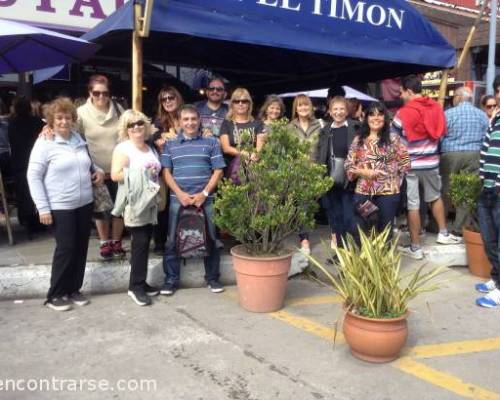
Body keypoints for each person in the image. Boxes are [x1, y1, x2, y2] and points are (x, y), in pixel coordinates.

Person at [27, 97, 104, 311]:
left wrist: (98, 171)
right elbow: (33, 176)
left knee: (80, 247)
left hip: (84, 202)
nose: (63, 122)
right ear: (51, 120)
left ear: (73, 119)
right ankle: (56, 293)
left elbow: (88, 162)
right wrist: (42, 208)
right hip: (60, 205)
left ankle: (73, 289)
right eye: (59, 118)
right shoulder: (45, 142)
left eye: (67, 117)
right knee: (66, 248)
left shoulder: (78, 139)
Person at [392, 75, 462, 260]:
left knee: (413, 205)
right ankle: (443, 233)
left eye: (401, 92)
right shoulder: (435, 108)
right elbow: (440, 134)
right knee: (435, 197)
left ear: (408, 91)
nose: (400, 95)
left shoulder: (402, 113)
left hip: (412, 165)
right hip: (431, 162)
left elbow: (393, 138)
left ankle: (415, 247)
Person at [160, 105, 226, 296]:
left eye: (193, 119)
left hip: (206, 199)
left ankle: (213, 278)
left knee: (211, 238)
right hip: (177, 200)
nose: (190, 123)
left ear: (199, 121)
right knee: (172, 240)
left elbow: (218, 171)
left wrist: (204, 194)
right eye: (186, 119)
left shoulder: (211, 142)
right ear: (179, 122)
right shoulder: (170, 144)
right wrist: (180, 194)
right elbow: (166, 172)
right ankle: (170, 280)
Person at [111, 110, 161, 306]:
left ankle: (140, 281)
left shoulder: (149, 148)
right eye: (131, 125)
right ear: (126, 129)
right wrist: (141, 173)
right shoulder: (124, 148)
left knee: (144, 243)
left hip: (150, 202)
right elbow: (115, 175)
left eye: (139, 123)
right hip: (135, 203)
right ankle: (135, 287)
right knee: (139, 244)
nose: (136, 127)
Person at [76, 74, 125, 260]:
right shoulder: (81, 113)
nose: (101, 97)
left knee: (119, 207)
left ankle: (116, 241)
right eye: (96, 93)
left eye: (105, 93)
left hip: (118, 167)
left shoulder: (118, 109)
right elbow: (72, 135)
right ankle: (105, 242)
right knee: (101, 209)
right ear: (90, 92)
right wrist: (47, 128)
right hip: (96, 169)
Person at [345, 102, 410, 238]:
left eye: (380, 114)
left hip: (388, 194)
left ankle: (383, 259)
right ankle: (363, 259)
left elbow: (406, 163)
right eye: (372, 114)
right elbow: (348, 165)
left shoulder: (393, 139)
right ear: (366, 117)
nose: (376, 118)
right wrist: (363, 172)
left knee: (385, 233)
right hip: (363, 194)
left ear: (385, 118)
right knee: (360, 229)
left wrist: (393, 177)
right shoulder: (359, 140)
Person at [441, 86, 489, 234]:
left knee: (446, 190)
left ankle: (439, 225)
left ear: (458, 97)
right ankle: (459, 227)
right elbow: (486, 137)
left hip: (450, 155)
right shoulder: (482, 115)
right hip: (474, 155)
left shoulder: (447, 114)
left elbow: (440, 136)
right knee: (467, 191)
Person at [317, 96, 359, 250]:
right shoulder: (325, 129)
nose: (339, 112)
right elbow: (320, 153)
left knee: (350, 217)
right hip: (330, 177)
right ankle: (341, 252)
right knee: (336, 218)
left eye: (342, 109)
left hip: (351, 179)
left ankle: (358, 250)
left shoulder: (356, 127)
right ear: (330, 111)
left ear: (347, 110)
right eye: (335, 109)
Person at [475, 76, 500, 308]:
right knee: (489, 238)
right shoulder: (496, 118)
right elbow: (486, 150)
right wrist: (484, 178)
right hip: (488, 188)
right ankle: (496, 278)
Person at [288, 94, 323, 254]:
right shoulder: (288, 128)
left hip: (317, 173)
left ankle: (336, 239)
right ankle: (304, 240)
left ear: (311, 107)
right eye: (300, 105)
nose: (303, 108)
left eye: (306, 105)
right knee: (302, 207)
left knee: (318, 207)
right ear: (295, 108)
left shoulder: (320, 125)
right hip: (297, 174)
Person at [151, 86, 184, 254]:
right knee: (164, 206)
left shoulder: (187, 117)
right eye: (164, 99)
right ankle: (160, 242)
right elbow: (152, 140)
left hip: (185, 167)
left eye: (171, 97)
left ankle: (184, 239)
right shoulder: (158, 122)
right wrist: (160, 143)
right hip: (166, 169)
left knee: (183, 205)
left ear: (177, 98)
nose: (168, 101)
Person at [8, 97, 44, 232]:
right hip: (36, 160)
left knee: (23, 192)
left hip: (20, 162)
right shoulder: (37, 122)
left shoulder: (12, 123)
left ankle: (26, 218)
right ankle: (39, 218)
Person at [219, 88, 266, 165]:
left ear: (249, 104)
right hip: (232, 168)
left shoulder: (258, 124)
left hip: (253, 166)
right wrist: (245, 154)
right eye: (236, 101)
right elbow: (226, 148)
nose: (240, 104)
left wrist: (253, 157)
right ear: (232, 104)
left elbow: (259, 149)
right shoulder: (226, 123)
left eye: (244, 101)